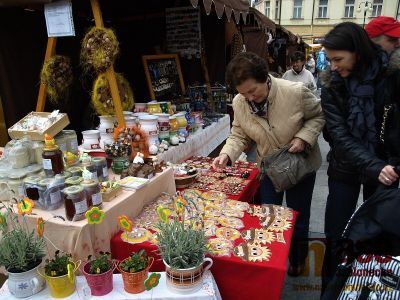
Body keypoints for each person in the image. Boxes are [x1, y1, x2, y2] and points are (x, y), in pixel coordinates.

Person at [212, 52, 325, 276]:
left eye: (253, 90)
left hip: (298, 164)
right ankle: (271, 261)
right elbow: (239, 135)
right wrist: (226, 154)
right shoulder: (240, 101)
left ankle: (297, 259)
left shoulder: (294, 92)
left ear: (265, 78)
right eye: (243, 93)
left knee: (297, 216)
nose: (249, 98)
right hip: (269, 167)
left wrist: (303, 137)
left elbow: (318, 116)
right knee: (268, 217)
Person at [320, 22, 400, 294]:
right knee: (335, 236)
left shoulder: (391, 76)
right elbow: (339, 136)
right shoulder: (331, 85)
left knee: (375, 237)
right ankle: (329, 292)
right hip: (346, 167)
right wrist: (374, 165)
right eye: (329, 59)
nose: (332, 66)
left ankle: (365, 291)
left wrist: (392, 164)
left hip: (385, 169)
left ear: (358, 52)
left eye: (338, 59)